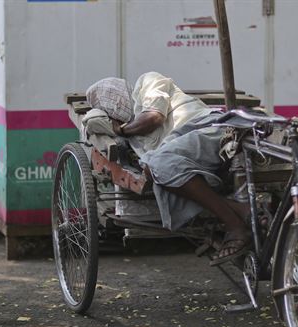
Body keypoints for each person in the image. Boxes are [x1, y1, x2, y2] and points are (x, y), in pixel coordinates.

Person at [85, 72, 251, 265]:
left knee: (157, 165)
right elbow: (90, 121)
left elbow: (153, 118)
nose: (115, 105)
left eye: (113, 96)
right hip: (184, 155)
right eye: (108, 106)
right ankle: (242, 210)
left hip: (208, 128)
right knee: (154, 168)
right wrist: (109, 125)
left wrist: (120, 129)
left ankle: (235, 223)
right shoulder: (132, 133)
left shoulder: (147, 82)